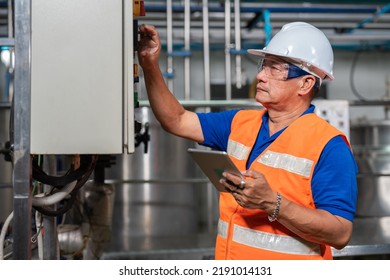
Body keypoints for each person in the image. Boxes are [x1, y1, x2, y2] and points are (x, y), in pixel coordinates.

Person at [137, 22, 358, 260]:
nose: (261, 76)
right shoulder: (239, 123)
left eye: (276, 69)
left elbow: (340, 232)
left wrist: (272, 202)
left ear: (306, 83)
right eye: (264, 65)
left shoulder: (329, 145)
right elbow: (177, 120)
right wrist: (150, 66)